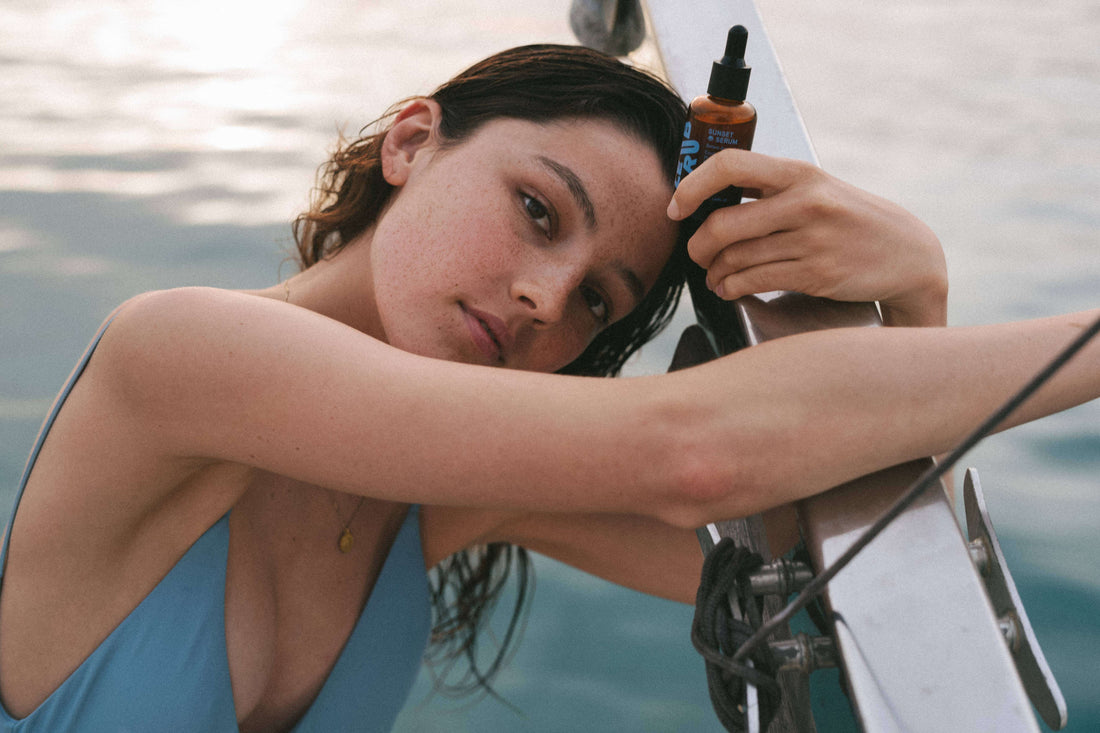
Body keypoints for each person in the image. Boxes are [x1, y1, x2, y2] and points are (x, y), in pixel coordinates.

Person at [0, 43, 1096, 733]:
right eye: (536, 209)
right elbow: (693, 452)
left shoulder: (447, 492)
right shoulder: (178, 355)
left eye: (597, 306)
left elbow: (831, 567)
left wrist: (919, 291)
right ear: (414, 142)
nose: (544, 300)